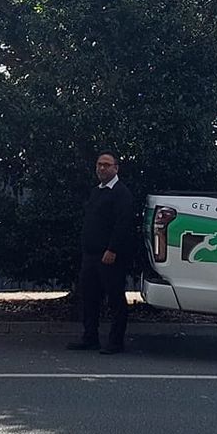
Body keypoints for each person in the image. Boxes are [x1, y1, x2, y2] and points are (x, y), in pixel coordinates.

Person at [68, 150, 137, 354]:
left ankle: (116, 342)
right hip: (90, 255)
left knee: (115, 299)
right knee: (89, 298)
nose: (102, 168)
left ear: (116, 168)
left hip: (110, 256)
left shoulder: (121, 193)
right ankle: (90, 338)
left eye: (107, 164)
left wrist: (112, 249)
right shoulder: (96, 191)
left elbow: (123, 224)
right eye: (99, 164)